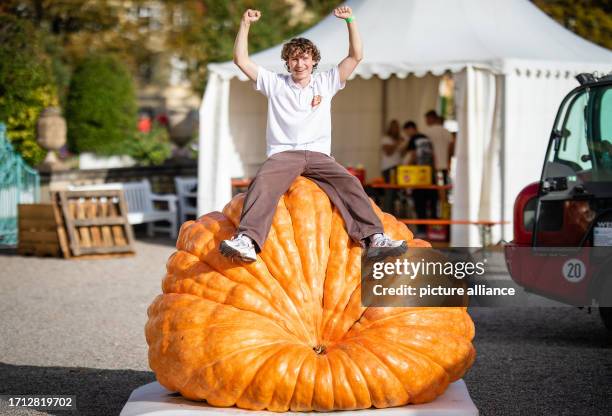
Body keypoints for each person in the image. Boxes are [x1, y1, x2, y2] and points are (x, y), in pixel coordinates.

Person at [219, 7, 407, 263]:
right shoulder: (275, 83)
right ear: (287, 62)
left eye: (305, 58)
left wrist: (350, 21)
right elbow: (241, 60)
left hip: (319, 155)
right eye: (295, 59)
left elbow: (355, 56)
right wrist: (244, 24)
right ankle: (247, 241)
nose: (300, 64)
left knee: (349, 183)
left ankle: (374, 238)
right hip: (284, 153)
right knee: (263, 182)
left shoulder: (326, 82)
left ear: (313, 61)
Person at [402, 121, 437, 235]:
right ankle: (434, 229)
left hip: (418, 175)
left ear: (411, 128)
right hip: (428, 173)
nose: (407, 134)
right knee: (431, 202)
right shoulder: (426, 138)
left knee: (419, 202)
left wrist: (405, 168)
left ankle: (422, 229)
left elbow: (413, 154)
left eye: (406, 131)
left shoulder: (414, 138)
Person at [421, 110, 454, 183]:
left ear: (431, 118)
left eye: (426, 119)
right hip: (444, 165)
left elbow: (426, 149)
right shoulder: (447, 132)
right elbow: (451, 149)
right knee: (441, 186)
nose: (426, 121)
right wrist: (449, 163)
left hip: (433, 166)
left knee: (437, 188)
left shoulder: (427, 132)